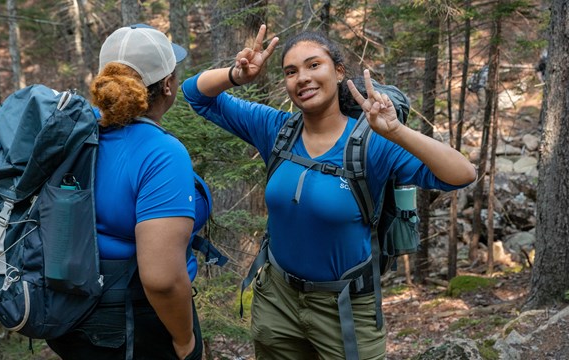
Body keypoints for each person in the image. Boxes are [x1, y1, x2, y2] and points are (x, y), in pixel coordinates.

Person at [181, 25, 476, 360]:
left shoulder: (373, 145)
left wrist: (397, 132)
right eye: (290, 72)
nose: (302, 78)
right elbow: (195, 94)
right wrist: (236, 75)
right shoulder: (276, 130)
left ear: (338, 72)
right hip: (277, 300)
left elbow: (462, 175)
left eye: (313, 65)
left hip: (346, 307)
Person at [46, 25, 204, 360]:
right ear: (167, 85)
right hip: (135, 325)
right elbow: (162, 279)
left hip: (70, 314)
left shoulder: (77, 135)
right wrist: (184, 340)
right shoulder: (161, 153)